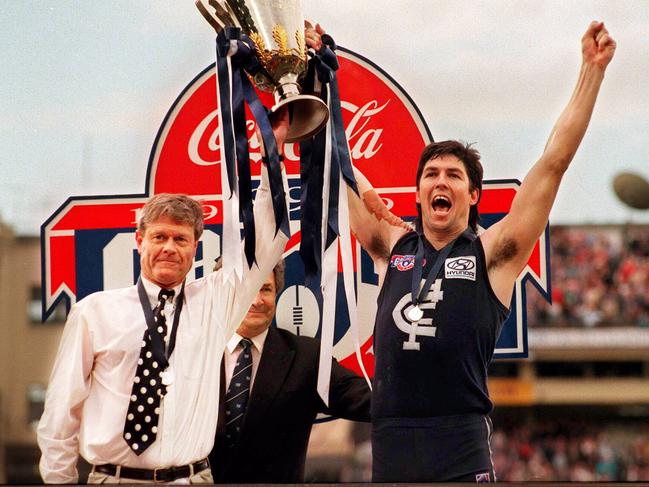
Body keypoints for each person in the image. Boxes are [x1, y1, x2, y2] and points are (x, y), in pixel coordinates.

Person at [338, 21, 615, 482]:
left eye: (453, 174)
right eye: (430, 174)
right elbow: (345, 170)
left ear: (473, 196)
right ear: (419, 193)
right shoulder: (392, 245)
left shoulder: (494, 252)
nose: (440, 180)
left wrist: (591, 72)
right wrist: (309, 81)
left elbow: (553, 163)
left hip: (459, 443)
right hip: (390, 442)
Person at [36, 110, 291, 483]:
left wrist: (273, 151)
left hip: (192, 477)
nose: (169, 248)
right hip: (114, 478)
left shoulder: (216, 301)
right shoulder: (95, 312)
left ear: (195, 246)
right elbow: (62, 409)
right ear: (139, 241)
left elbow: (268, 240)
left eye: (180, 239)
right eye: (159, 237)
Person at [208, 258, 371, 483]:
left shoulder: (307, 358)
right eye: (245, 289)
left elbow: (370, 400)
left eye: (265, 289)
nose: (256, 300)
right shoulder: (193, 354)